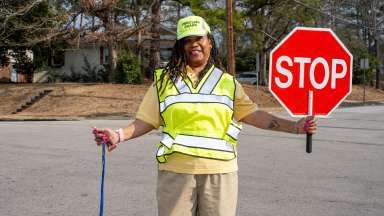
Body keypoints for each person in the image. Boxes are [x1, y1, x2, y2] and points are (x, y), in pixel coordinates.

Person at [94, 15, 317, 216]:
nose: (194, 44)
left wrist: (295, 127)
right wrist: (118, 135)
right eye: (187, 40)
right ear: (180, 47)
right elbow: (146, 120)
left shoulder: (227, 83)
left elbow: (253, 114)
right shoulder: (163, 81)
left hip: (220, 173)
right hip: (176, 172)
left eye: (198, 38)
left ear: (210, 41)